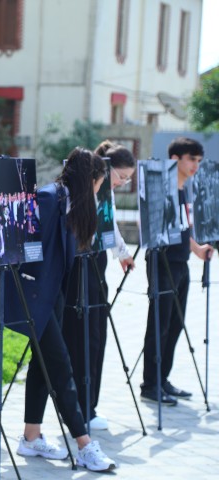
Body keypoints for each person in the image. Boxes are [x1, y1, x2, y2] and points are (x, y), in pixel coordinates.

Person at [0, 147, 116, 472]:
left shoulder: (67, 201)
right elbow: (18, 247)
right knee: (61, 367)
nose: (99, 191)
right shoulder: (49, 198)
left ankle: (31, 438)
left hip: (52, 297)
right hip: (33, 296)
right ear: (89, 179)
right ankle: (84, 444)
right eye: (99, 183)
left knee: (42, 364)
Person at [61, 141, 136, 431]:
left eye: (128, 179)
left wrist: (123, 253)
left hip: (97, 265)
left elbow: (110, 225)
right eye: (121, 177)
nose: (122, 183)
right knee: (82, 338)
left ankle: (89, 404)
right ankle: (81, 407)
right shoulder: (85, 191)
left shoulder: (104, 193)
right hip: (79, 268)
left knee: (96, 336)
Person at [141, 137, 214, 405]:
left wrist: (196, 248)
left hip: (181, 263)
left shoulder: (185, 190)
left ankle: (162, 379)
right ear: (175, 160)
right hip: (162, 262)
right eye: (191, 159)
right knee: (159, 325)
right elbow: (150, 225)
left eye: (198, 160)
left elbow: (183, 228)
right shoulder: (162, 188)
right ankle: (150, 384)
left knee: (175, 324)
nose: (195, 165)